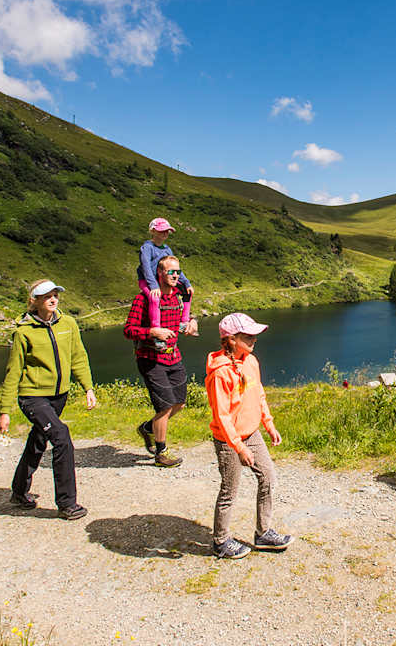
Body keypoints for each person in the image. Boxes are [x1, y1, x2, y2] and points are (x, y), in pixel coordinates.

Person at [0, 279, 97, 520]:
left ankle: (19, 492)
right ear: (35, 301)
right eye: (46, 296)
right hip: (32, 397)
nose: (53, 299)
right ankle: (67, 504)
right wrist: (5, 410)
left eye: (55, 294)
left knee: (38, 440)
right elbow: (14, 371)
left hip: (59, 396)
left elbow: (78, 357)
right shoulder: (24, 332)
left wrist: (88, 388)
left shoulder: (68, 324)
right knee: (61, 437)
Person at [206, 313, 293, 559]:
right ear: (232, 339)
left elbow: (259, 395)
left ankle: (263, 533)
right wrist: (239, 447)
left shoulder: (251, 361)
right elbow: (222, 416)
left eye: (254, 334)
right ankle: (220, 541)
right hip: (228, 440)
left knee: (268, 477)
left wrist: (269, 423)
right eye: (248, 335)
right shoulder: (220, 373)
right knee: (229, 490)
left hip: (252, 433)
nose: (254, 339)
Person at [123, 255, 195, 467]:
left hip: (174, 355)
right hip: (150, 358)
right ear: (159, 274)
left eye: (178, 272)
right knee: (164, 406)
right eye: (171, 272)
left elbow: (185, 319)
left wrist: (191, 324)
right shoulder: (143, 299)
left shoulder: (179, 296)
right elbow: (129, 330)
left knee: (179, 403)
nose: (175, 275)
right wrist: (152, 331)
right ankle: (161, 453)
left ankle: (147, 428)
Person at [137, 218, 194, 345]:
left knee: (187, 293)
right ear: (153, 231)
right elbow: (145, 268)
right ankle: (157, 332)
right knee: (155, 298)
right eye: (162, 231)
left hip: (161, 280)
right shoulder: (147, 247)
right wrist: (153, 286)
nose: (165, 233)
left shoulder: (167, 249)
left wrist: (187, 283)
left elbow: (174, 269)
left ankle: (183, 322)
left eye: (167, 231)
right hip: (147, 281)